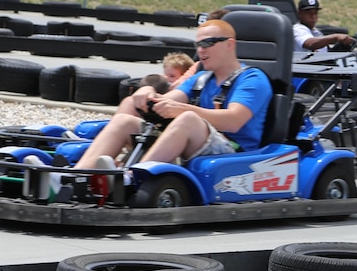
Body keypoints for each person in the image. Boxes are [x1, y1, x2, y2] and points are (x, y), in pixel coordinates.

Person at [75, 18, 273, 169]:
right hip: (198, 141)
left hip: (233, 152)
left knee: (187, 118)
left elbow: (233, 121)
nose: (201, 50)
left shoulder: (253, 79)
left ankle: (132, 177)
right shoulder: (201, 78)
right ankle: (75, 177)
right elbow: (166, 101)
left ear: (230, 44)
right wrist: (147, 92)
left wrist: (181, 110)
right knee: (126, 114)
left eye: (209, 43)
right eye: (199, 44)